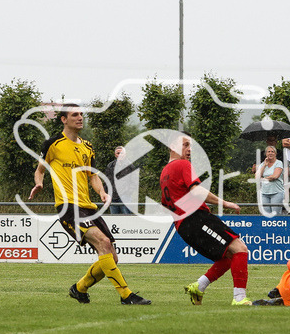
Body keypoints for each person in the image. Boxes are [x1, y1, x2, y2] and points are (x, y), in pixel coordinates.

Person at [30, 103, 150, 305]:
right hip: (68, 206)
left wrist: (102, 192)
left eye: (81, 114)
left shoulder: (87, 147)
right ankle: (126, 295)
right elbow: (40, 169)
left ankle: (79, 288)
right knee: (102, 243)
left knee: (112, 257)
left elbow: (93, 176)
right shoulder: (53, 144)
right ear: (63, 119)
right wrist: (39, 183)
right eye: (74, 114)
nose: (80, 118)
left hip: (88, 206)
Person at [162, 134, 252, 306]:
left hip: (182, 226)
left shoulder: (164, 172)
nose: (189, 150)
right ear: (173, 146)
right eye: (185, 145)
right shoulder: (182, 164)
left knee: (228, 256)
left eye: (191, 146)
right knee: (240, 249)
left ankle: (199, 286)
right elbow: (196, 191)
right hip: (196, 218)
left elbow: (166, 204)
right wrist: (224, 203)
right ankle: (239, 299)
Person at [254, 145, 285, 216]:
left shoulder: (279, 163)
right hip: (264, 193)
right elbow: (256, 176)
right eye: (268, 152)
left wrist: (263, 179)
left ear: (275, 154)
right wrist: (264, 165)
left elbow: (275, 176)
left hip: (277, 192)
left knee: (276, 215)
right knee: (266, 215)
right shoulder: (262, 164)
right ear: (266, 154)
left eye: (272, 152)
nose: (270, 153)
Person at [105, 145, 129, 215]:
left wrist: (128, 192)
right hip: (112, 197)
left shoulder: (130, 166)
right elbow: (106, 181)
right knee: (114, 219)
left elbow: (134, 182)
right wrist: (107, 193)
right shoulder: (110, 166)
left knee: (127, 218)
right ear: (115, 154)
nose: (120, 155)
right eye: (118, 153)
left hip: (125, 197)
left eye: (121, 153)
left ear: (125, 154)